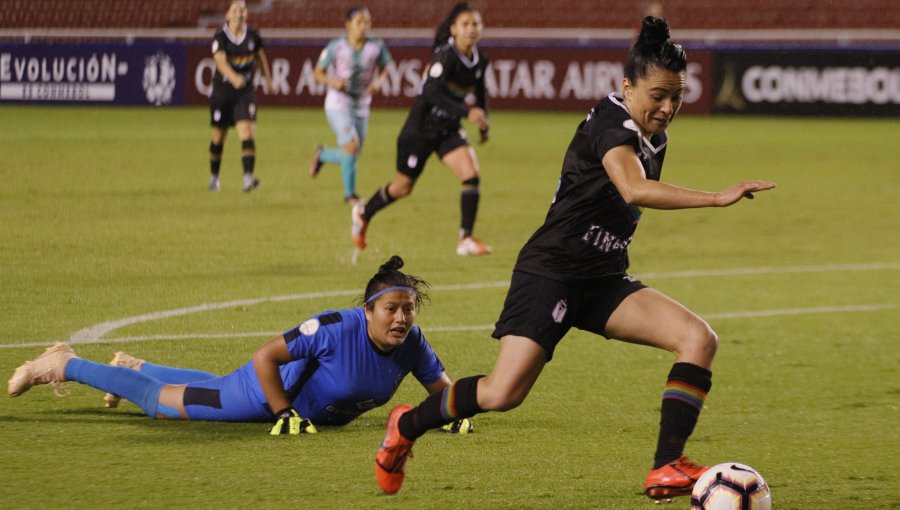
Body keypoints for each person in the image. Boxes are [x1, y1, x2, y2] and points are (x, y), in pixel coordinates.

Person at [372, 16, 777, 500]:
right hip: (552, 271)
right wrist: (716, 197)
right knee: (503, 394)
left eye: (678, 95)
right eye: (658, 95)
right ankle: (407, 425)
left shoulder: (654, 134)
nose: (669, 107)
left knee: (698, 339)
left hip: (603, 277)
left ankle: (665, 466)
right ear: (627, 86)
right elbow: (633, 188)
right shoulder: (612, 122)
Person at [8, 256, 470, 435]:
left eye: (408, 309)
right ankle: (63, 363)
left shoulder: (412, 342)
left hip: (287, 405)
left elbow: (441, 391)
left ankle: (135, 363)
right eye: (391, 308)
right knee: (160, 405)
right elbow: (265, 357)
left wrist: (449, 416)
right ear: (368, 310)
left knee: (211, 386)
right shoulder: (331, 328)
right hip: (263, 393)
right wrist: (283, 413)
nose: (402, 318)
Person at [351, 2, 492, 257]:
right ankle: (364, 212)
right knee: (402, 188)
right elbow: (429, 92)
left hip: (447, 129)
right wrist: (466, 112)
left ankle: (465, 239)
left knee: (470, 174)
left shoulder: (480, 59)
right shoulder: (445, 56)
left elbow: (479, 90)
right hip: (420, 130)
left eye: (475, 24)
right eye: (465, 24)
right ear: (454, 29)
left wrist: (483, 121)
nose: (471, 29)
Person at [309, 6, 392, 205]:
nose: (364, 27)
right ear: (348, 25)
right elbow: (317, 72)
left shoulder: (376, 45)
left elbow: (386, 67)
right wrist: (332, 82)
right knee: (351, 146)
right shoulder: (336, 46)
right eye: (359, 22)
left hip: (362, 105)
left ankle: (322, 155)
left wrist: (378, 82)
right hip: (338, 103)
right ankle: (350, 195)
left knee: (351, 153)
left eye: (367, 22)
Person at [207, 0, 274, 193]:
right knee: (218, 138)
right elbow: (220, 62)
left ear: (246, 14)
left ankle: (247, 178)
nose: (238, 13)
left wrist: (268, 79)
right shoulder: (220, 37)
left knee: (247, 133)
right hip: (223, 92)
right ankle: (214, 178)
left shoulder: (253, 36)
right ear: (228, 14)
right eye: (235, 9)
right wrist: (233, 76)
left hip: (245, 92)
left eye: (242, 9)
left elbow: (260, 57)